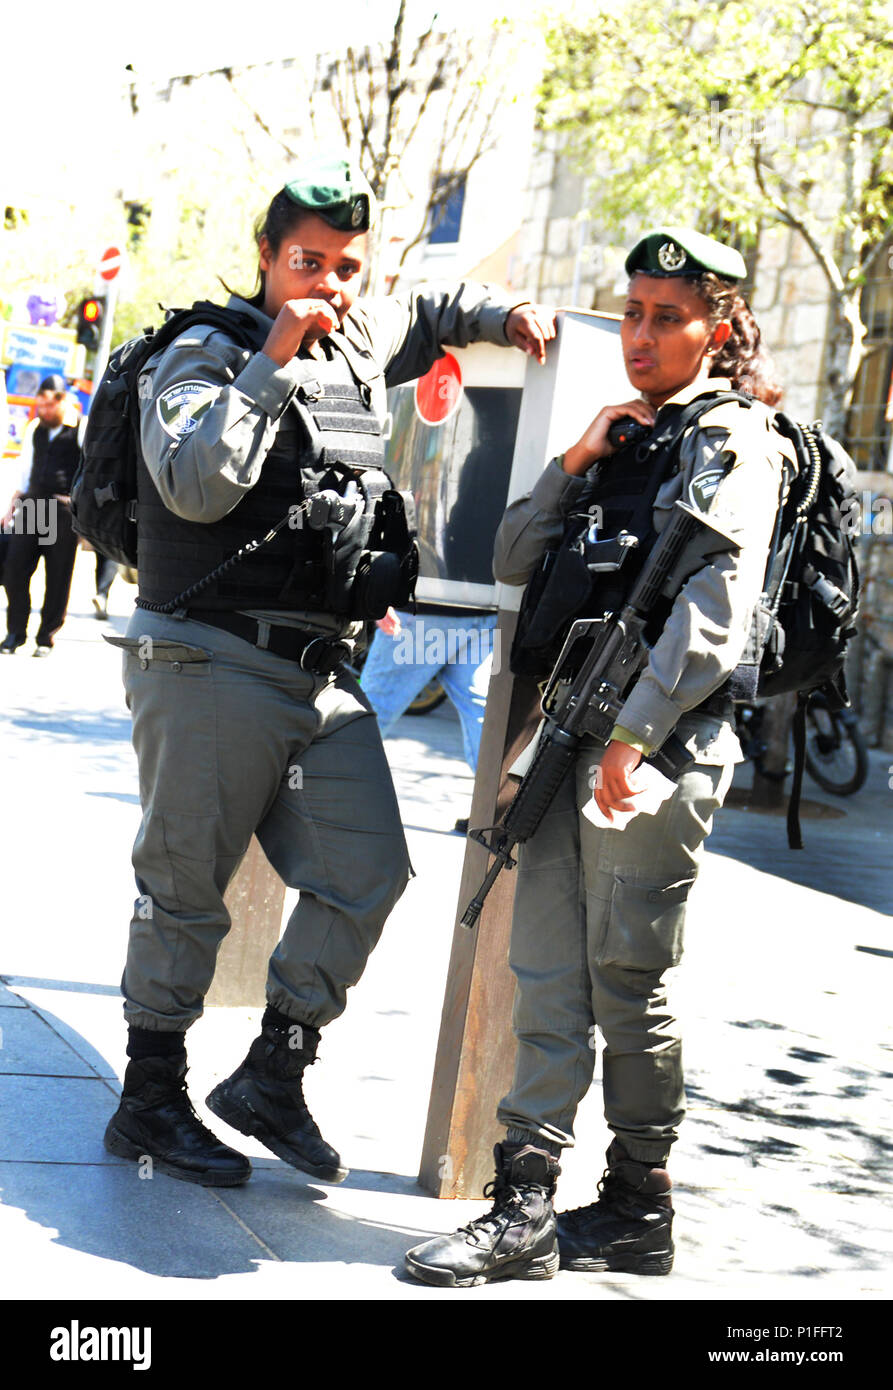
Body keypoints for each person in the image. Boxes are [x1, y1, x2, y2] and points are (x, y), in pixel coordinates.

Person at [102, 155, 557, 1189]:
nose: (330, 285)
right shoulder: (202, 352)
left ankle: (274, 1069)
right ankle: (149, 1096)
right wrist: (271, 359)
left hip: (317, 674)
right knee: (184, 890)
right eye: (308, 262)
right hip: (208, 655)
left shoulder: (359, 332)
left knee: (367, 871)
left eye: (347, 266)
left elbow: (432, 306)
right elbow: (192, 482)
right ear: (265, 258)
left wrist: (504, 310)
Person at [404, 227, 791, 1287]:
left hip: (654, 749)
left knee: (627, 977)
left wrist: (633, 734)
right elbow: (515, 561)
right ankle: (521, 1205)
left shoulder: (737, 443)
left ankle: (635, 1201)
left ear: (718, 329)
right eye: (631, 312)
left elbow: (712, 618)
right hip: (572, 733)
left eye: (669, 318)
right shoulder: (621, 439)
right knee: (542, 970)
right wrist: (573, 459)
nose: (642, 336)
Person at [360, 603, 497, 773]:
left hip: (426, 607)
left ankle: (335, 788)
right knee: (482, 715)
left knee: (367, 714)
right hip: (487, 611)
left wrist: (380, 596)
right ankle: (503, 795)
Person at [1, 374, 82, 656]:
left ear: (62, 402)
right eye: (41, 405)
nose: (45, 411)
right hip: (33, 506)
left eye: (49, 405)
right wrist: (13, 500)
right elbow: (25, 464)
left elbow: (91, 468)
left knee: (57, 576)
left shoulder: (80, 429)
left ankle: (46, 637)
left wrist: (78, 500)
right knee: (14, 570)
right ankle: (14, 633)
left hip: (62, 511)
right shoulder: (35, 427)